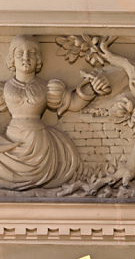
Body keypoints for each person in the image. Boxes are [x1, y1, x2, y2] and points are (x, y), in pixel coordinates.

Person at [0, 34, 110, 191]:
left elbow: (72, 103)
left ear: (38, 58)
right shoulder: (4, 89)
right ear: (11, 58)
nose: (26, 57)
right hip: (12, 141)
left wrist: (93, 88)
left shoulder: (48, 87)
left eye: (31, 53)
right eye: (20, 53)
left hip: (39, 147)